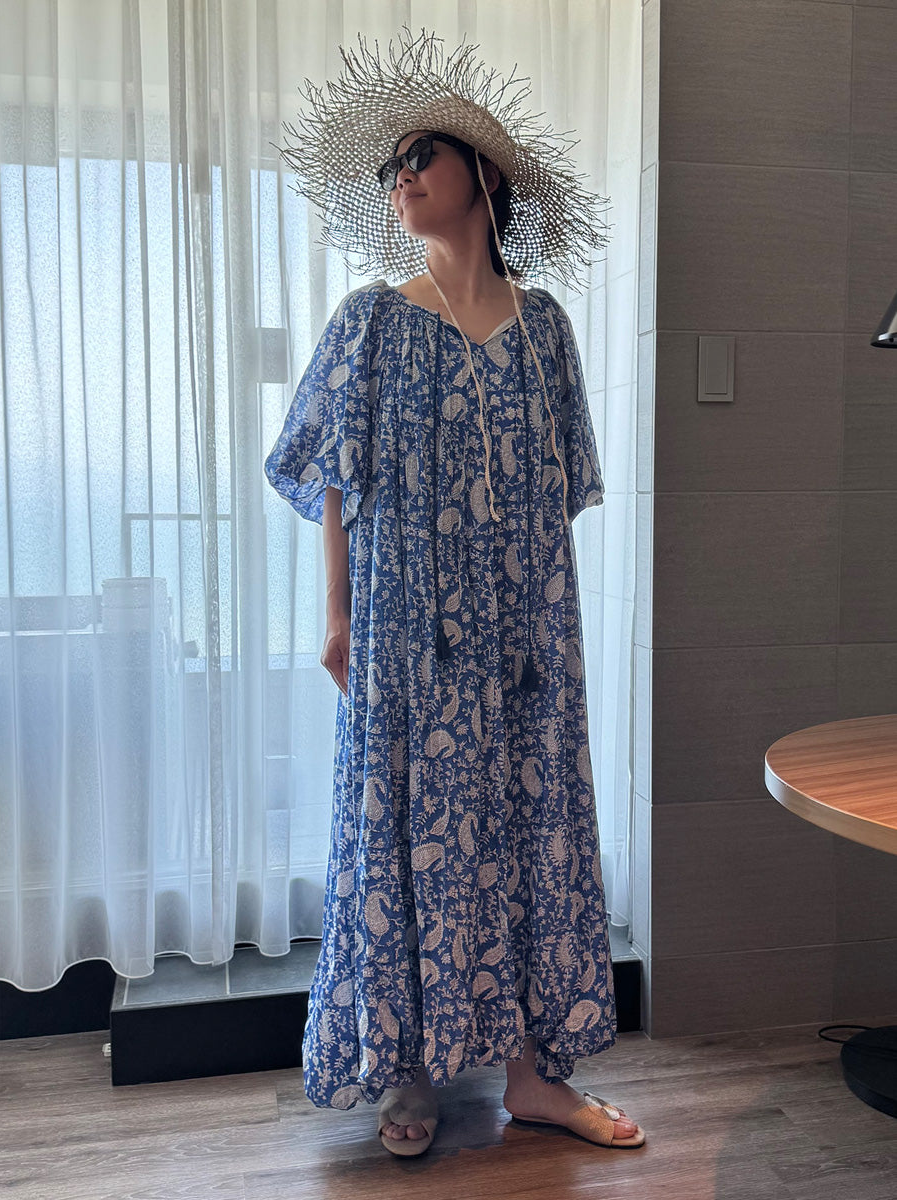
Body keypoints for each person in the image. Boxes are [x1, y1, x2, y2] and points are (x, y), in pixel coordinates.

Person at [264, 27, 646, 1157]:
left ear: (481, 174)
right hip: (405, 629)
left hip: (526, 635)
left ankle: (532, 1076)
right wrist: (337, 617)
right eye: (391, 167)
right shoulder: (372, 320)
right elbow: (331, 476)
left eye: (417, 156)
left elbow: (562, 491)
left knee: (530, 827)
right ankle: (412, 1071)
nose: (400, 178)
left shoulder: (546, 330)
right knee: (408, 829)